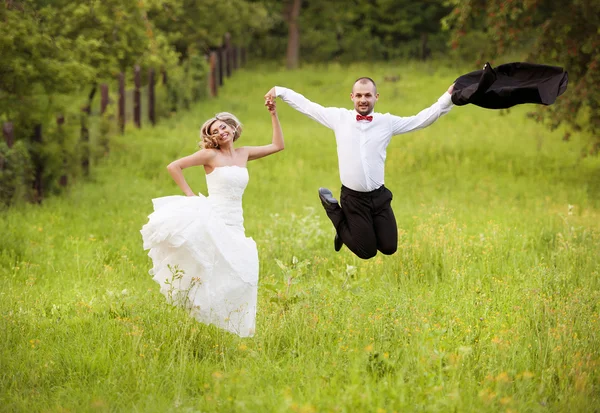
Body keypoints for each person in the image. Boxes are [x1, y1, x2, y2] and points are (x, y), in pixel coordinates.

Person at [264, 78, 454, 260]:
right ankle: (335, 213)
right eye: (359, 95)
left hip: (379, 197)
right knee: (367, 252)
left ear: (376, 97)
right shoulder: (339, 118)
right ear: (352, 97)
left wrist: (448, 97)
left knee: (389, 247)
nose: (363, 100)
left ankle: (347, 229)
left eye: (368, 96)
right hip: (354, 199)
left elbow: (421, 120)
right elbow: (308, 106)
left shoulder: (386, 122)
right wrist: (280, 91)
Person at [140, 101, 284, 337]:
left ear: (232, 128)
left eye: (223, 127)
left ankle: (235, 326)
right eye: (214, 131)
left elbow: (278, 145)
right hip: (214, 217)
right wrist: (190, 196)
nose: (221, 132)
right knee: (210, 268)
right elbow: (174, 166)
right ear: (212, 139)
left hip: (236, 221)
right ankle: (201, 317)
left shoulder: (244, 153)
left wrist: (273, 114)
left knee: (245, 271)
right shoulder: (209, 155)